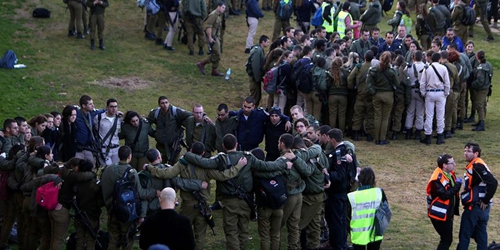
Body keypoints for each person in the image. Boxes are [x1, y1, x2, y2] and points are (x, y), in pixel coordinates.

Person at [182, 134, 291, 250]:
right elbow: (267, 166)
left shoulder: (220, 160)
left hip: (229, 202)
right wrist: (284, 163)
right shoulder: (248, 157)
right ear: (236, 145)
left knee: (231, 232)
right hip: (246, 201)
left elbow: (203, 162)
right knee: (243, 230)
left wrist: (188, 154)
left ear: (223, 146)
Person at [456, 142, 498, 250]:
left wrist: (485, 200)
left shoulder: (477, 165)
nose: (465, 153)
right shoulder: (478, 164)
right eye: (465, 150)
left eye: (469, 151)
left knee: (465, 235)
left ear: (476, 153)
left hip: (475, 206)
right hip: (482, 208)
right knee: (481, 236)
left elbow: (493, 182)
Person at [100, 146, 143, 250]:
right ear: (130, 156)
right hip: (127, 212)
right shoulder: (132, 172)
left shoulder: (108, 169)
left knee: (113, 239)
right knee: (127, 239)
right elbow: (139, 192)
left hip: (112, 209)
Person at [426, 154, 461, 250]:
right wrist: (457, 185)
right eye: (452, 163)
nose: (454, 164)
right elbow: (445, 195)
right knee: (446, 240)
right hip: (440, 215)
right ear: (444, 165)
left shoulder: (448, 174)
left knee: (446, 239)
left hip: (446, 212)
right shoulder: (437, 179)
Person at [348, 167, 387, 250]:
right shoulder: (379, 192)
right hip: (375, 233)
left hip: (358, 234)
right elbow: (386, 211)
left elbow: (347, 216)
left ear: (359, 180)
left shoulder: (352, 197)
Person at [367, 51, 399, 145]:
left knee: (377, 116)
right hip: (388, 95)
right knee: (385, 118)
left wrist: (373, 92)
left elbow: (368, 83)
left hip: (377, 94)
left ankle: (376, 138)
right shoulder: (391, 71)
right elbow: (397, 83)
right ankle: (382, 138)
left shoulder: (374, 69)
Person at [147, 96, 191, 164]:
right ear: (159, 104)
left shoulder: (175, 111)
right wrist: (155, 134)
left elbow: (190, 115)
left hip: (174, 147)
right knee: (160, 167)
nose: (165, 105)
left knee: (176, 167)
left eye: (166, 102)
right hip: (161, 147)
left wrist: (204, 115)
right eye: (162, 103)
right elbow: (146, 124)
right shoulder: (155, 113)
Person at [419, 52, 450, 145]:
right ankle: (440, 136)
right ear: (440, 59)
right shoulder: (444, 68)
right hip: (440, 92)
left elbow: (422, 83)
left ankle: (428, 136)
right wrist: (446, 93)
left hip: (430, 92)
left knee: (429, 115)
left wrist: (423, 93)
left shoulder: (427, 68)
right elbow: (447, 83)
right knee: (440, 115)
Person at [74, 159, 103, 250]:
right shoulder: (94, 184)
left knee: (80, 241)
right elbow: (101, 201)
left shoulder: (76, 181)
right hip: (92, 215)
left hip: (79, 214)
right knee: (91, 241)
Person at [349, 50, 374, 141]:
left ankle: (355, 133)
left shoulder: (359, 67)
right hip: (371, 95)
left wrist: (352, 88)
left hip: (360, 94)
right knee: (370, 115)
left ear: (364, 57)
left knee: (358, 114)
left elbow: (350, 78)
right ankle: (369, 135)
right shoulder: (375, 67)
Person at [196, 2, 226, 76]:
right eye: (222, 7)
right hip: (213, 37)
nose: (223, 9)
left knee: (216, 53)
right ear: (218, 7)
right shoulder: (213, 15)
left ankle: (214, 70)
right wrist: (210, 38)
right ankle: (202, 63)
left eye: (224, 8)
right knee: (217, 54)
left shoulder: (219, 15)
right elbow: (208, 27)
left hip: (216, 36)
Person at [75, 95, 106, 164]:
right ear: (83, 106)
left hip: (88, 147)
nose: (93, 105)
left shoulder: (91, 113)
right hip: (78, 148)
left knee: (90, 165)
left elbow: (101, 111)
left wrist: (111, 110)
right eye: (90, 104)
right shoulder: (76, 115)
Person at [404, 50, 426, 140]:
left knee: (410, 112)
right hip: (421, 91)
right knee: (420, 113)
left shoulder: (409, 67)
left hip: (411, 90)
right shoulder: (425, 67)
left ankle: (408, 132)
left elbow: (404, 76)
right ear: (422, 57)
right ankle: (418, 132)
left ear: (413, 57)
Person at [94, 98, 122, 166]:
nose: (114, 109)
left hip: (116, 149)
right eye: (111, 106)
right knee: (107, 171)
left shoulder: (119, 118)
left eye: (115, 106)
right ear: (107, 107)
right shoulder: (99, 118)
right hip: (104, 149)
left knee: (116, 170)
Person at [247, 35, 271, 107]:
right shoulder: (257, 51)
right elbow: (256, 65)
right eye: (267, 42)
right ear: (263, 42)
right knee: (255, 96)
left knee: (257, 96)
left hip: (256, 77)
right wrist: (258, 78)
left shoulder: (259, 50)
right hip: (255, 77)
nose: (268, 44)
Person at [328, 57, 349, 131]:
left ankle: (332, 132)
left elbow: (327, 85)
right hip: (343, 95)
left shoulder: (330, 72)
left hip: (332, 95)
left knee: (332, 115)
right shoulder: (346, 72)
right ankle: (341, 132)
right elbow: (348, 83)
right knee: (342, 115)